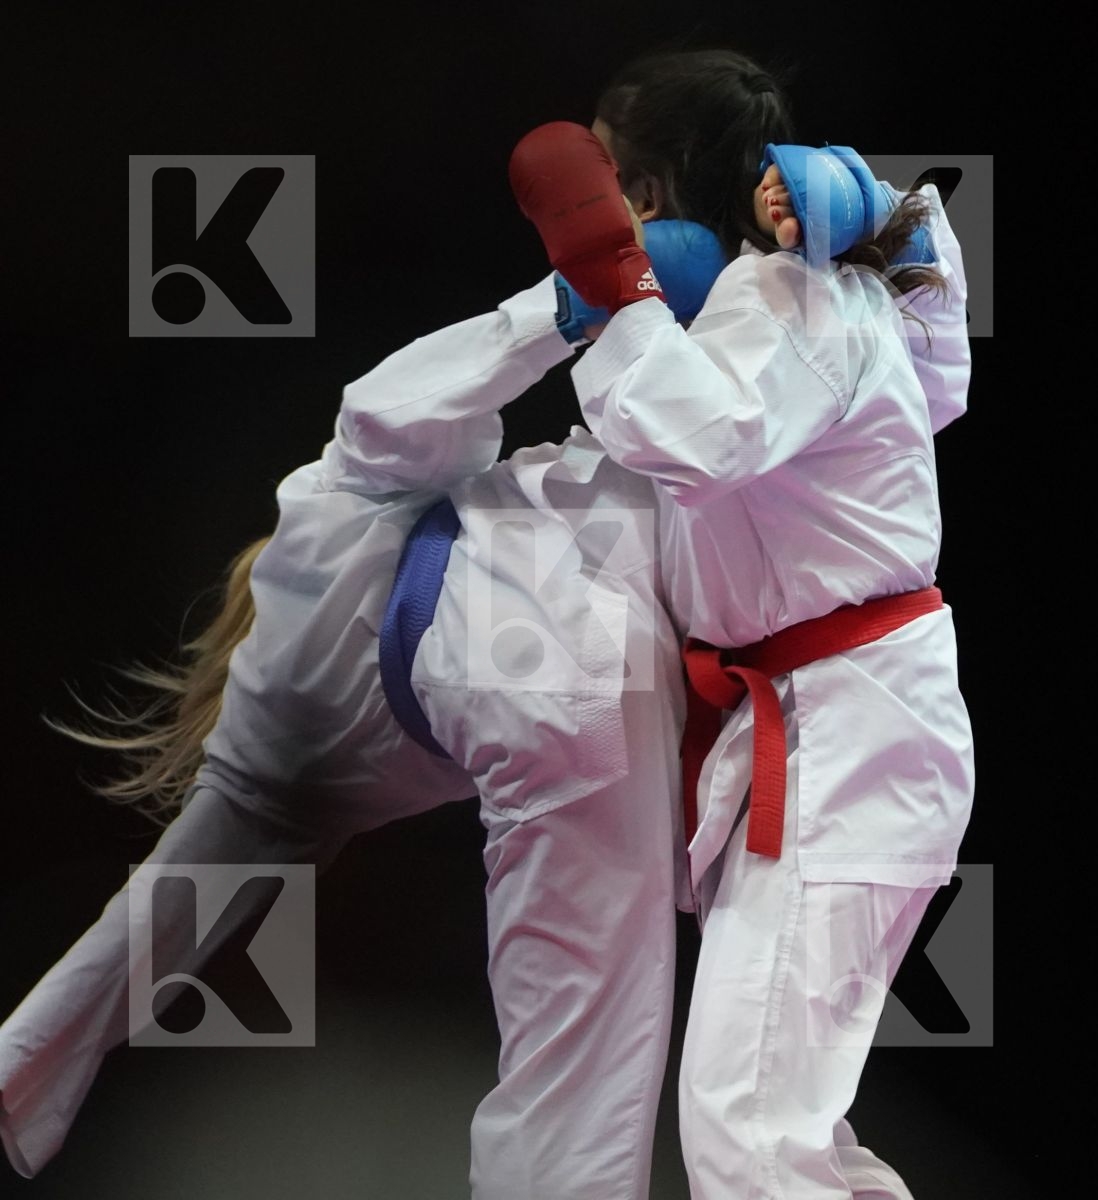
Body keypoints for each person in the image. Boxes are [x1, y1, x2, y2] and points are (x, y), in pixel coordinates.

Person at [1, 263, 689, 1198]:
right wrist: (562, 306)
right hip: (586, 623)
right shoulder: (320, 521)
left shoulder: (268, 757)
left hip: (576, 688)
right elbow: (382, 412)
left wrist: (21, 1074)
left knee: (588, 1030)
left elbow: (144, 930)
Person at [514, 48, 976, 1199]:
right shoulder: (765, 305)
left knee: (753, 1132)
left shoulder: (792, 297)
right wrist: (894, 228)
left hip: (853, 731)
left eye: (610, 183)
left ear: (646, 192)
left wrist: (613, 286)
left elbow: (698, 436)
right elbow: (937, 373)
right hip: (827, 730)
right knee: (770, 1131)